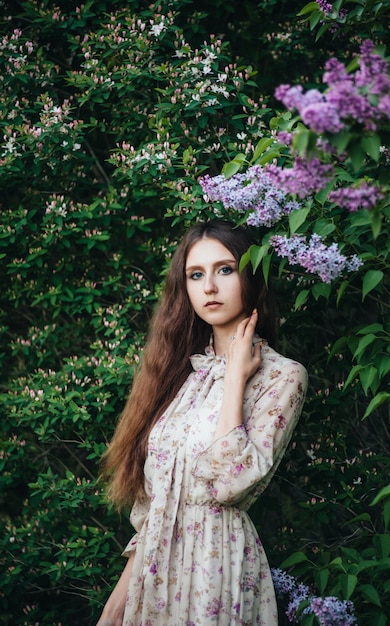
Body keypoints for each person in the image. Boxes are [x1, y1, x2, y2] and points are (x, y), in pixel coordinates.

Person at [96, 220, 308, 626]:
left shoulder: (284, 377)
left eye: (225, 269)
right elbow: (153, 507)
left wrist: (235, 379)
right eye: (196, 274)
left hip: (218, 571)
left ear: (250, 277)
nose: (210, 286)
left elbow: (230, 484)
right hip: (154, 575)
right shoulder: (179, 373)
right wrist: (115, 606)